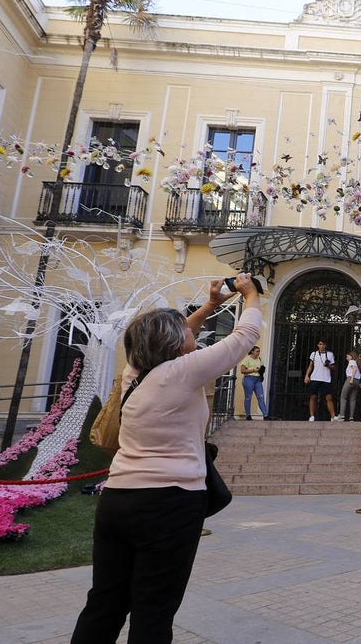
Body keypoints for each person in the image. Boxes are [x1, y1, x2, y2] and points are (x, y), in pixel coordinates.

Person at [71, 273, 261, 644]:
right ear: (174, 342)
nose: (191, 331)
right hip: (168, 504)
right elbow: (245, 336)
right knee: (153, 610)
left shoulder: (135, 372)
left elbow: (169, 336)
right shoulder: (181, 373)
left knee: (105, 602)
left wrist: (211, 305)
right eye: (184, 330)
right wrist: (251, 294)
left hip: (117, 501)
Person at [304, 339, 336, 422]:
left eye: (323, 344)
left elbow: (333, 367)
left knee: (329, 398)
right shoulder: (314, 354)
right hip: (315, 378)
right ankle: (312, 416)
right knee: (313, 397)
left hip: (326, 379)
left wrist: (328, 365)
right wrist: (307, 376)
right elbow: (310, 366)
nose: (322, 346)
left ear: (326, 345)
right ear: (318, 345)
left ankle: (333, 416)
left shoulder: (330, 354)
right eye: (320, 344)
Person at [239, 345, 268, 420]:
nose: (258, 353)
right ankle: (248, 415)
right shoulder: (247, 359)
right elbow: (242, 370)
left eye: (259, 351)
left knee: (261, 397)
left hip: (257, 380)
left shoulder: (259, 359)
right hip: (249, 379)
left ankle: (265, 415)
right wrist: (253, 370)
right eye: (257, 351)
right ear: (252, 352)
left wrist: (261, 370)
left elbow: (262, 368)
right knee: (248, 397)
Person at [338, 350, 361, 422]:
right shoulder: (358, 364)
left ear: (351, 356)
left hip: (350, 379)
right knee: (353, 399)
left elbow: (354, 369)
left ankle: (342, 416)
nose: (346, 358)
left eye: (347, 356)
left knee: (343, 397)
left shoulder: (352, 361)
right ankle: (351, 417)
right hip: (357, 381)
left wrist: (351, 379)